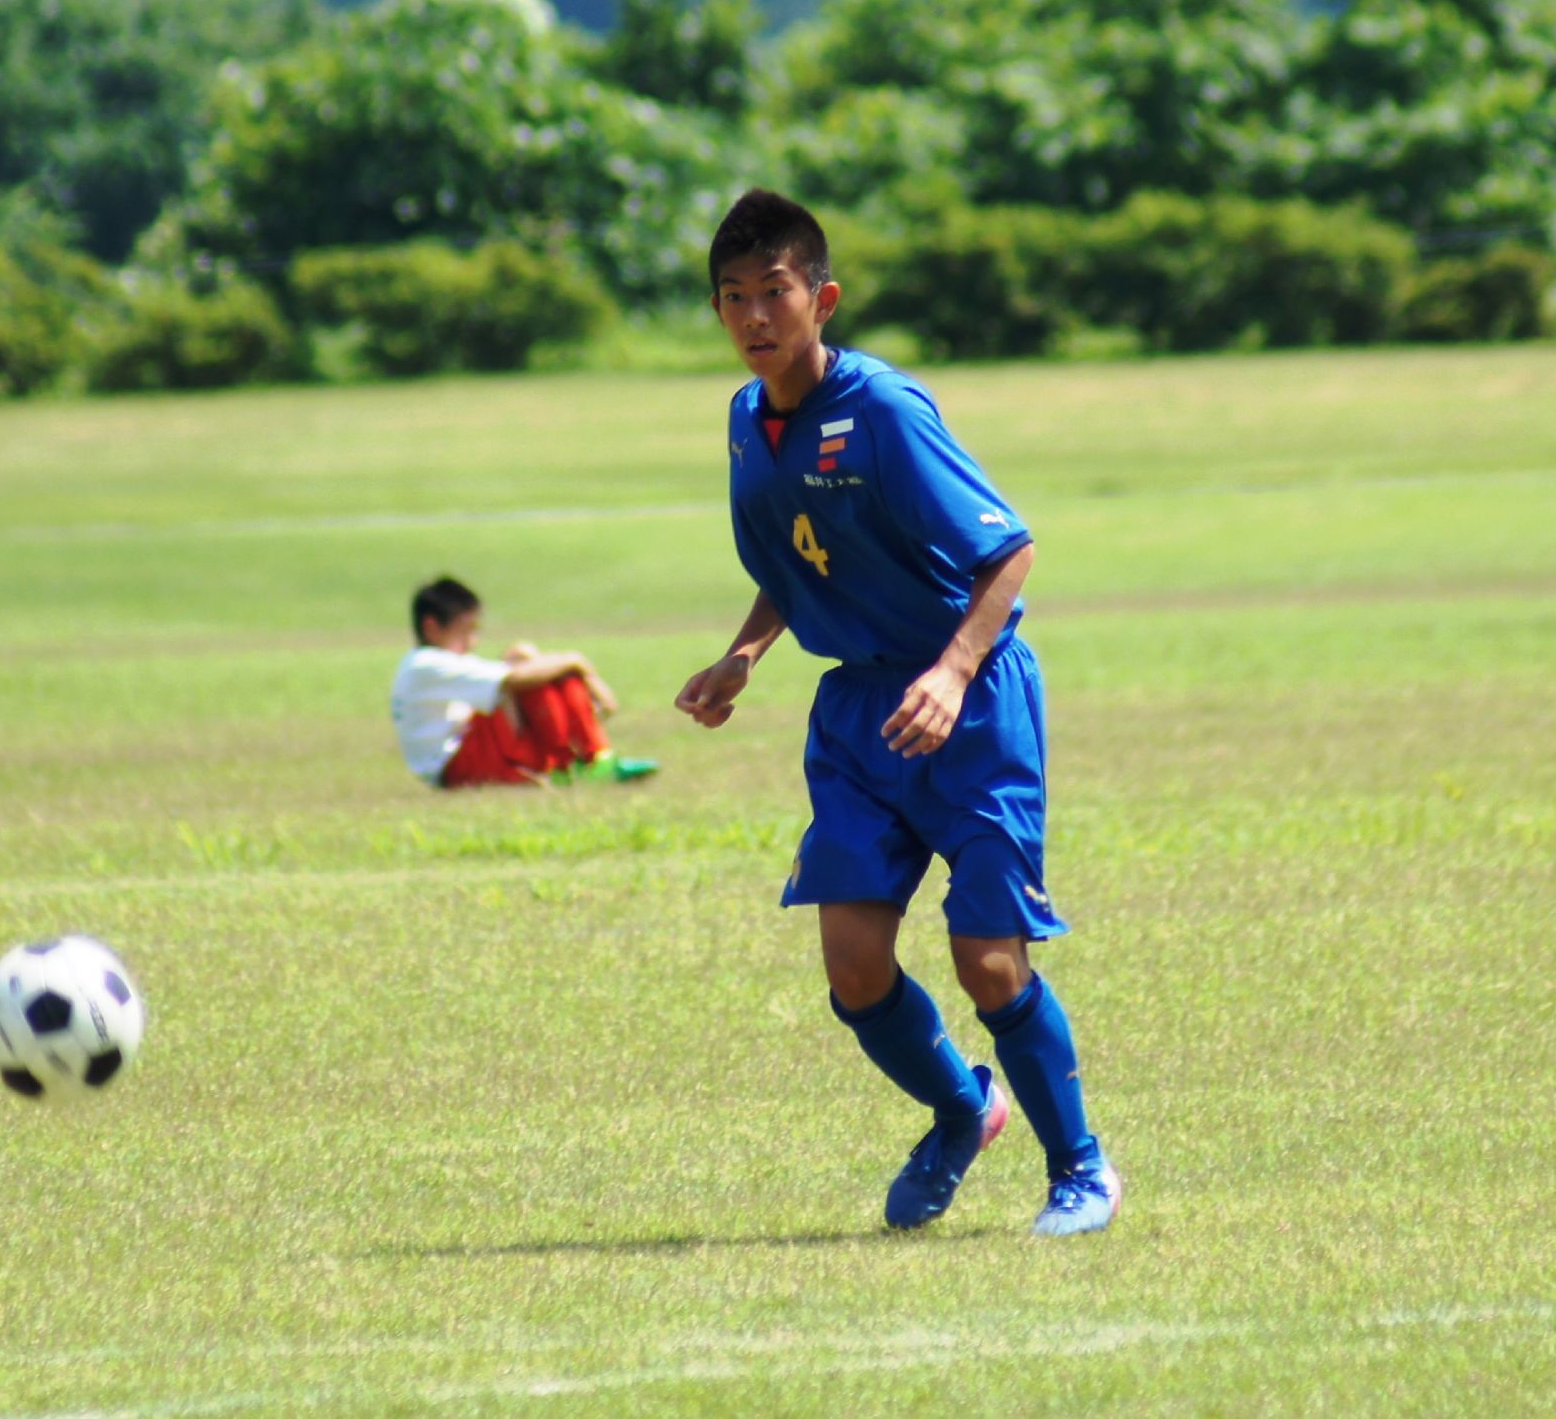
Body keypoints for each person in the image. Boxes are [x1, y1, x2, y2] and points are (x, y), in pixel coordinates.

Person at [674, 190, 1116, 1237]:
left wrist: (952, 673)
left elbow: (1009, 550)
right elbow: (801, 560)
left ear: (821, 299)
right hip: (858, 714)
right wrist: (742, 656)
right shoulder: (744, 422)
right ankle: (962, 1112)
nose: (753, 316)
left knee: (988, 961)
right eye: (732, 296)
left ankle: (1082, 1170)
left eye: (774, 291)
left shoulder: (883, 408)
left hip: (972, 703)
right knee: (854, 965)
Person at [391, 577, 657, 789]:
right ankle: (578, 760)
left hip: (469, 752)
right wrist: (578, 662)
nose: (473, 641)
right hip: (458, 763)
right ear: (432, 627)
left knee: (527, 660)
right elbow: (513, 679)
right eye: (466, 631)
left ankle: (589, 759)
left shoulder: (429, 664)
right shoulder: (427, 663)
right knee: (531, 677)